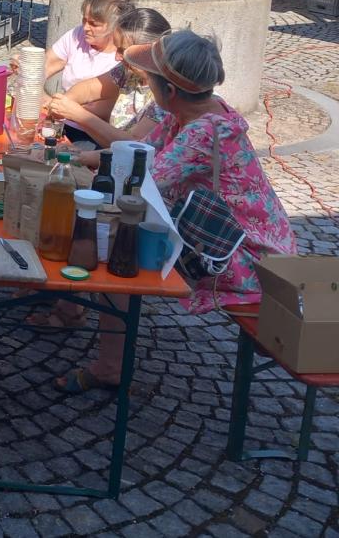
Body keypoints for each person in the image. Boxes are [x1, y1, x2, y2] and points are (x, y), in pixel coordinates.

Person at [57, 30, 296, 393]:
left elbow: (141, 180)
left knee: (116, 251)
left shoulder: (202, 132)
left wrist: (79, 172)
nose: (145, 83)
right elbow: (139, 153)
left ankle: (108, 365)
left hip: (245, 257)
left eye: (150, 80)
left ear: (169, 91)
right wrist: (77, 157)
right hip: (231, 235)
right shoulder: (190, 112)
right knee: (115, 238)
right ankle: (86, 330)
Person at [46, 8, 172, 149]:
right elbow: (88, 89)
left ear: (148, 50)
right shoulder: (128, 71)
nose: (117, 56)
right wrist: (65, 102)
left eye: (122, 50)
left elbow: (135, 146)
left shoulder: (167, 91)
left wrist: (79, 115)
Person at [36, 0, 134, 146]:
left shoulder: (123, 58)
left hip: (93, 132)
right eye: (84, 20)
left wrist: (58, 105)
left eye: (94, 24)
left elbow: (102, 111)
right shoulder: (77, 35)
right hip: (61, 118)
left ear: (116, 27)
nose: (86, 27)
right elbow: (44, 66)